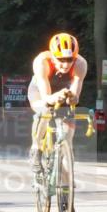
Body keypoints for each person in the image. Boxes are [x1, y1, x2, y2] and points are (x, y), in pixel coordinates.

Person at [28, 33, 88, 170]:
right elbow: (46, 97)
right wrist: (53, 98)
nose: (66, 64)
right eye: (61, 59)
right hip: (40, 89)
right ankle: (36, 148)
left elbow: (75, 96)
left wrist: (72, 97)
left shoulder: (81, 64)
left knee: (68, 137)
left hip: (63, 88)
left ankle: (67, 183)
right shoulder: (41, 62)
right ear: (53, 56)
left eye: (69, 59)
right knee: (45, 109)